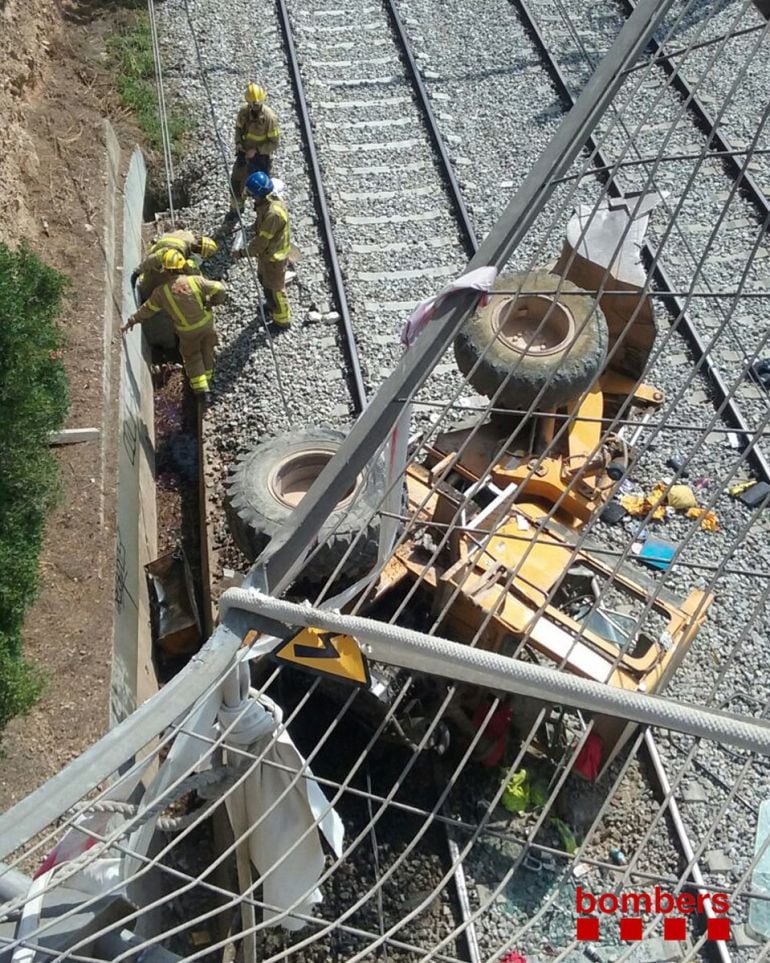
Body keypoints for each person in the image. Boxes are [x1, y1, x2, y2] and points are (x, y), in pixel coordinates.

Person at [122, 254, 227, 402]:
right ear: (182, 266)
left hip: (187, 332)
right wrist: (213, 303)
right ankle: (208, 378)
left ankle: (202, 391)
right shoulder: (194, 280)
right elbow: (219, 288)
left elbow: (148, 309)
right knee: (207, 349)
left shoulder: (162, 292)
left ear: (166, 270)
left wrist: (132, 320)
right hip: (206, 324)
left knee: (192, 357)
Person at [233, 171, 291, 327]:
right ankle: (271, 305)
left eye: (253, 195)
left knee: (276, 289)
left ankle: (282, 319)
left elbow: (261, 243)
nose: (252, 197)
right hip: (268, 255)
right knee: (264, 280)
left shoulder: (273, 214)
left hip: (274, 257)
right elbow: (261, 227)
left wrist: (242, 253)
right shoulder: (267, 203)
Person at [226, 84, 280, 222]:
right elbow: (238, 129)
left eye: (256, 104)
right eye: (251, 104)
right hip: (244, 156)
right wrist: (238, 144)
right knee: (236, 184)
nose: (253, 107)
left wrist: (256, 150)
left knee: (261, 191)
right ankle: (236, 211)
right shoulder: (243, 112)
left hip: (260, 159)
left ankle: (262, 218)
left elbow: (274, 143)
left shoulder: (269, 118)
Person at [132, 230, 218, 300]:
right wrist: (137, 271)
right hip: (154, 258)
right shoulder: (177, 252)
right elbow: (154, 259)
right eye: (201, 256)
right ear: (198, 252)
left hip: (155, 247)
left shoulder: (187, 235)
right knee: (170, 276)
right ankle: (146, 290)